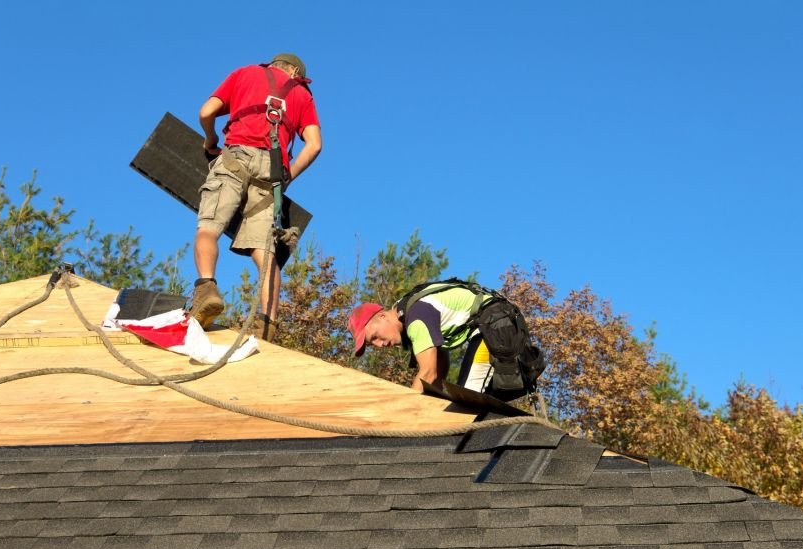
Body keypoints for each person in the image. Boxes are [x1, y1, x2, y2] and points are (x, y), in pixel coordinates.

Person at [191, 53, 322, 342]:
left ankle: (206, 289)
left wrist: (209, 138)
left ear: (273, 65)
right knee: (266, 254)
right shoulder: (302, 94)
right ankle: (267, 324)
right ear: (295, 72)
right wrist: (287, 177)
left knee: (208, 228)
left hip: (235, 157)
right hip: (271, 173)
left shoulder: (245, 73)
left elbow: (205, 111)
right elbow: (314, 146)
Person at [347, 279, 545, 399]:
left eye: (374, 337)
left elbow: (429, 372)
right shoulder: (409, 313)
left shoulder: (415, 318)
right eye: (372, 344)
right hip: (495, 325)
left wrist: (406, 411)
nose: (379, 345)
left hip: (493, 328)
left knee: (468, 400)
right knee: (461, 398)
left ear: (382, 316)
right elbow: (438, 372)